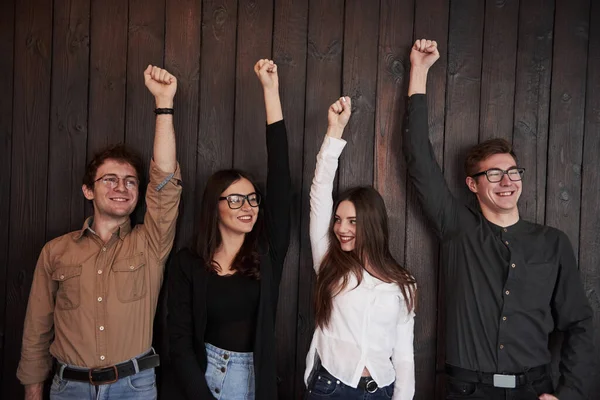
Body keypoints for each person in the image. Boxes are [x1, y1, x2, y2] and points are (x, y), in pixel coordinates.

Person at [405, 39, 594, 400]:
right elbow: (419, 161)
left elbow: (579, 325)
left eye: (512, 171)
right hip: (467, 392)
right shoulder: (457, 229)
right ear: (472, 185)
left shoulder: (553, 243)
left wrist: (570, 395)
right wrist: (419, 72)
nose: (507, 181)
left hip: (536, 392)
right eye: (493, 174)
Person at [17, 65, 182, 400]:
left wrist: (164, 104)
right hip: (69, 388)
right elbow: (37, 329)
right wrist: (33, 393)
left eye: (130, 181)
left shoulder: (150, 243)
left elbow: (164, 183)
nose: (121, 187)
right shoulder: (56, 252)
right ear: (88, 191)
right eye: (110, 179)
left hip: (133, 388)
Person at [167, 59, 291, 400]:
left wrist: (271, 92)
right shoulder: (188, 263)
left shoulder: (268, 254)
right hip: (204, 377)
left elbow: (280, 175)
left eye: (252, 199)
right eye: (235, 200)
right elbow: (178, 339)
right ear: (214, 206)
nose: (247, 207)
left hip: (252, 379)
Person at [304, 96, 416, 399]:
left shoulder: (403, 283)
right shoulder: (328, 261)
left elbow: (404, 355)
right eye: (338, 220)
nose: (341, 228)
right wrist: (334, 132)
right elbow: (320, 191)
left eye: (352, 221)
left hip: (381, 390)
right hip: (331, 388)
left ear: (372, 224)